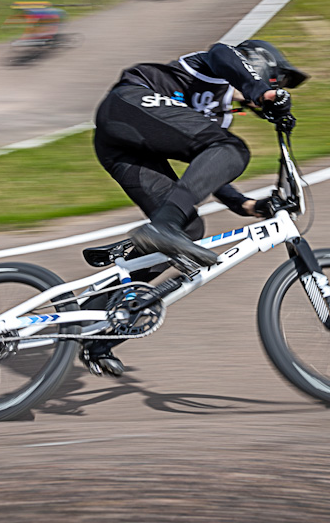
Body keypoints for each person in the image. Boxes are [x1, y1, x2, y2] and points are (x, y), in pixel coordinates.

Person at [82, 39, 308, 376]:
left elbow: (209, 171)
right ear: (257, 67)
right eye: (275, 80)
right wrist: (259, 89)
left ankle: (94, 325)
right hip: (128, 103)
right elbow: (222, 52)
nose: (277, 89)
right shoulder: (217, 66)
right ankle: (161, 228)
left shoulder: (217, 118)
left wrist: (245, 204)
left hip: (122, 146)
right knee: (231, 150)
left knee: (188, 228)